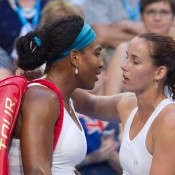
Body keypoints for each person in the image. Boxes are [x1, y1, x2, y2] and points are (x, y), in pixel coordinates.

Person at [8, 15, 104, 175]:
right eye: (97, 53)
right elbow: (36, 171)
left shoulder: (62, 97)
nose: (100, 63)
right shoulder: (42, 98)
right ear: (75, 58)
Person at [72, 33, 175, 174]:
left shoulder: (169, 120)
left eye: (136, 62)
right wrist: (50, 75)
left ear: (159, 72)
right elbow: (86, 103)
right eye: (127, 57)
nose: (124, 66)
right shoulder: (128, 104)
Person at [105, 0, 175, 95]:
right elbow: (110, 97)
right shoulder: (124, 49)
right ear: (142, 16)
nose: (157, 18)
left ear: (173, 17)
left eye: (164, 12)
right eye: (151, 12)